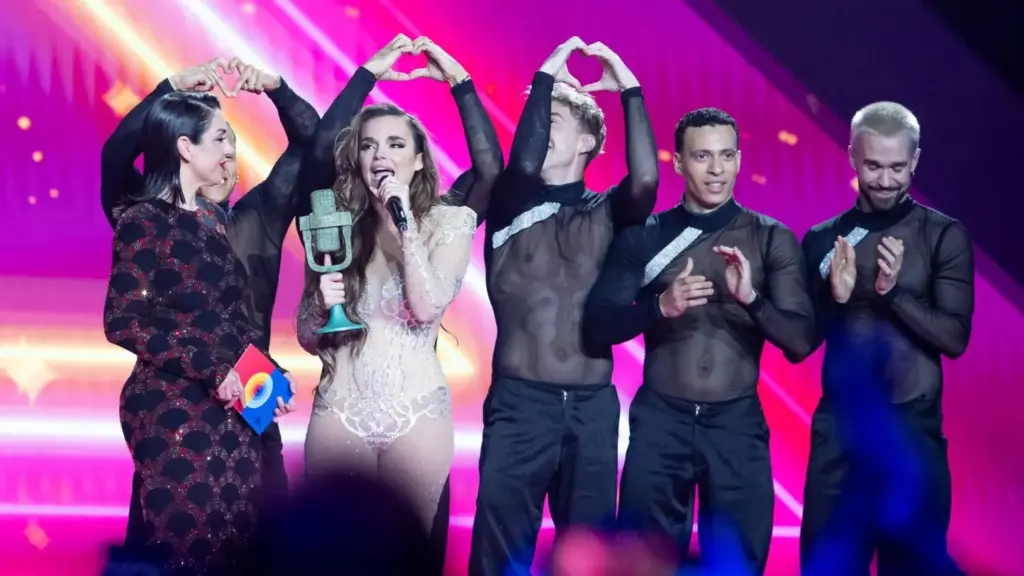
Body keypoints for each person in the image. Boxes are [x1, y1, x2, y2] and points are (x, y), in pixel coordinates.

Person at [293, 34, 501, 572]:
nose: (380, 154)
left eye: (394, 144)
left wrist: (404, 223)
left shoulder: (447, 223)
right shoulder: (334, 225)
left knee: (403, 558)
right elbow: (307, 335)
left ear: (417, 158)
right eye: (368, 144)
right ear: (356, 157)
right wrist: (321, 304)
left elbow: (427, 305)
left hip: (416, 415)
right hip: (340, 409)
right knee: (330, 557)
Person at [583, 107, 814, 573]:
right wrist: (658, 308)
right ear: (678, 162)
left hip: (737, 424)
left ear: (739, 160)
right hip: (660, 424)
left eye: (726, 156)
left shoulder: (771, 239)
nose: (716, 169)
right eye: (703, 156)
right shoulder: (646, 236)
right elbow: (597, 327)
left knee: (737, 564)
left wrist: (751, 299)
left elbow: (802, 342)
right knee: (641, 562)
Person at [99, 58, 309, 547]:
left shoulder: (239, 220)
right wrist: (169, 89)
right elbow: (115, 157)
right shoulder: (145, 216)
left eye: (234, 146)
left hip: (246, 397)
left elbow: (228, 324)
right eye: (220, 141)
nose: (229, 155)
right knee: (174, 541)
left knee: (258, 542)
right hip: (176, 401)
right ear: (184, 148)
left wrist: (269, 379)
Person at [469, 36, 658, 576]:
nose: (539, 127)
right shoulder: (509, 201)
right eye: (538, 117)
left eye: (554, 119)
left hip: (593, 410)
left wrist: (630, 88)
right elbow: (524, 161)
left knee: (592, 556)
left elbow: (646, 180)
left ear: (588, 141)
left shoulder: (608, 211)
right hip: (519, 406)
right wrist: (546, 73)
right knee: (498, 553)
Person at [793, 102, 973, 576]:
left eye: (898, 167)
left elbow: (954, 338)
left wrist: (891, 297)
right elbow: (799, 344)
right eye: (874, 165)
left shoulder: (943, 236)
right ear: (852, 156)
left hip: (913, 433)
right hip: (840, 434)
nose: (887, 180)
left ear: (915, 160)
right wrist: (835, 298)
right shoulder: (823, 240)